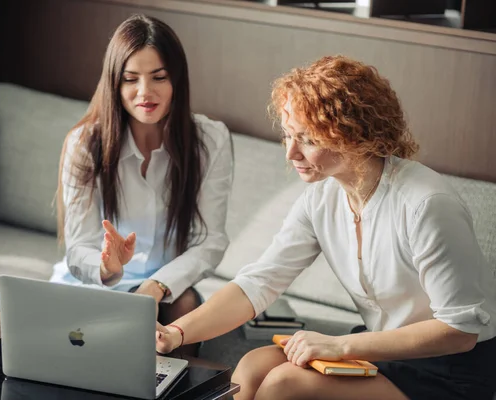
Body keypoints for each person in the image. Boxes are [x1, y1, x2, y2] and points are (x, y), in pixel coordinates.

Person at [156, 55, 496, 400]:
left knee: (284, 384)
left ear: (353, 135)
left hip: (449, 371)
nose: (291, 153)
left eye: (308, 140)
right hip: (381, 349)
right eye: (288, 136)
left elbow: (460, 330)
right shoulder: (321, 199)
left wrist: (341, 345)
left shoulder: (426, 204)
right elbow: (259, 282)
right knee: (254, 367)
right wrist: (175, 333)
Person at [51, 14, 233, 355]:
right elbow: (79, 247)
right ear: (114, 85)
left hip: (166, 290)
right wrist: (107, 267)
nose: (144, 92)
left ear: (177, 79)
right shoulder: (85, 143)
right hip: (98, 286)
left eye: (159, 78)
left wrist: (156, 286)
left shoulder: (210, 140)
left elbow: (210, 241)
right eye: (130, 79)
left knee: (186, 306)